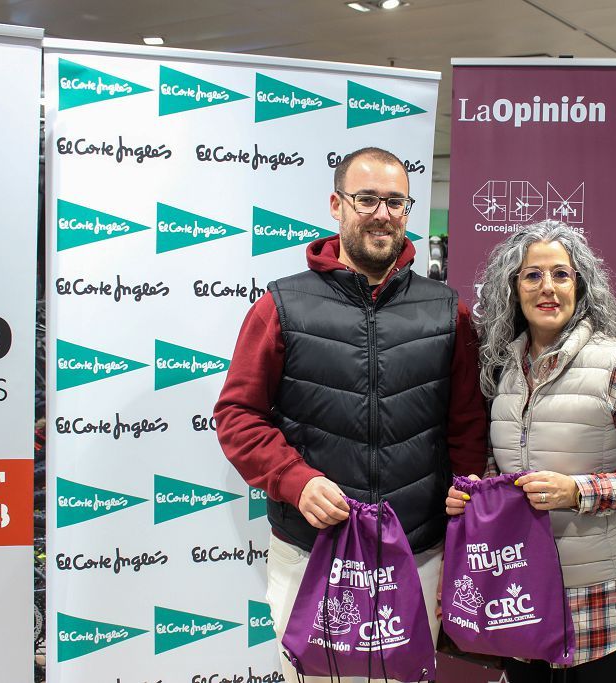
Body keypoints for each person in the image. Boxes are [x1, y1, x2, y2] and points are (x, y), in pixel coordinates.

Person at [214, 147, 488, 682]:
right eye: (366, 199)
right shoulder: (281, 306)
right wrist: (295, 481)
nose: (381, 213)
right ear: (337, 205)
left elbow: (467, 426)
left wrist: (465, 496)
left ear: (408, 211)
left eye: (394, 201)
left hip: (416, 550)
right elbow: (238, 414)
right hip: (313, 552)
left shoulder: (446, 309)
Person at [446, 220, 616, 683]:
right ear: (513, 287)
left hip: (597, 601)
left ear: (580, 285)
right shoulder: (503, 372)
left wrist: (578, 491)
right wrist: (474, 496)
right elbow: (502, 466)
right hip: (518, 592)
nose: (546, 287)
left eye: (561, 274)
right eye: (532, 275)